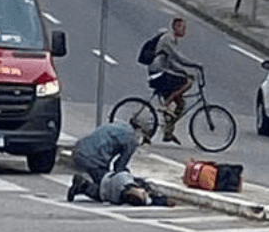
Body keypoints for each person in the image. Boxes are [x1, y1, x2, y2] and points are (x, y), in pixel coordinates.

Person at [66, 120, 152, 203]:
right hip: (92, 157)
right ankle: (83, 187)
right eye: (144, 141)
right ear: (141, 132)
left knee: (105, 180)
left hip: (79, 149)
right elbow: (119, 167)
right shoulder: (132, 141)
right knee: (108, 191)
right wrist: (130, 180)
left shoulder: (123, 126)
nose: (141, 144)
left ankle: (83, 184)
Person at [148, 16, 202, 144]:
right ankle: (166, 104)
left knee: (181, 105)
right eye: (183, 28)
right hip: (158, 74)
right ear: (176, 27)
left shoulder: (171, 40)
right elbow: (178, 58)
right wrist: (195, 64)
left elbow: (171, 63)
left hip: (161, 72)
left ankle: (168, 132)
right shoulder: (168, 38)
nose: (184, 31)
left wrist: (184, 71)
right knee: (187, 82)